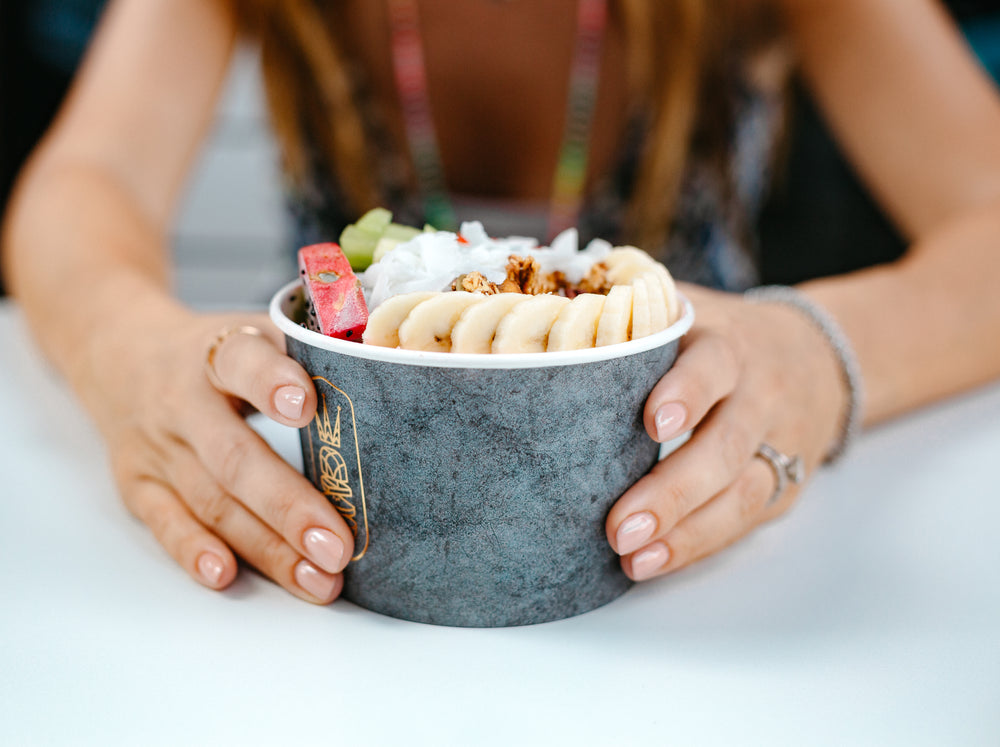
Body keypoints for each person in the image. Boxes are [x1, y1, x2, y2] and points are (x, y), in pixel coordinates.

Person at [3, 0, 1000, 606]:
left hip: (686, 574)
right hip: (351, 599)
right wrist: (122, 342)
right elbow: (88, 182)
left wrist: (818, 354)